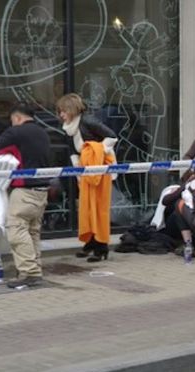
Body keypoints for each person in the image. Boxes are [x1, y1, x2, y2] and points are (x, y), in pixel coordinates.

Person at [0, 103, 51, 288]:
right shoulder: (43, 132)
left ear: (16, 118)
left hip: (24, 190)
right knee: (32, 231)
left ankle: (29, 273)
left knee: (16, 228)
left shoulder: (16, 133)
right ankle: (34, 269)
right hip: (42, 190)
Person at [57, 93, 117, 262]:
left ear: (71, 109)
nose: (61, 115)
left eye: (63, 111)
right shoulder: (69, 128)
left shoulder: (88, 121)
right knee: (86, 208)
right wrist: (78, 172)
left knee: (99, 208)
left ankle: (101, 246)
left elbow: (112, 136)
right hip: (85, 172)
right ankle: (90, 241)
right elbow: (73, 152)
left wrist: (96, 152)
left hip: (100, 171)